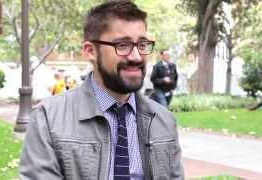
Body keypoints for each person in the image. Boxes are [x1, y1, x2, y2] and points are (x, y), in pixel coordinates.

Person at [19, 1, 184, 180]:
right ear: (91, 51)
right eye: (122, 45)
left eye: (142, 44)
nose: (136, 56)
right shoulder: (48, 119)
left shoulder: (164, 121)